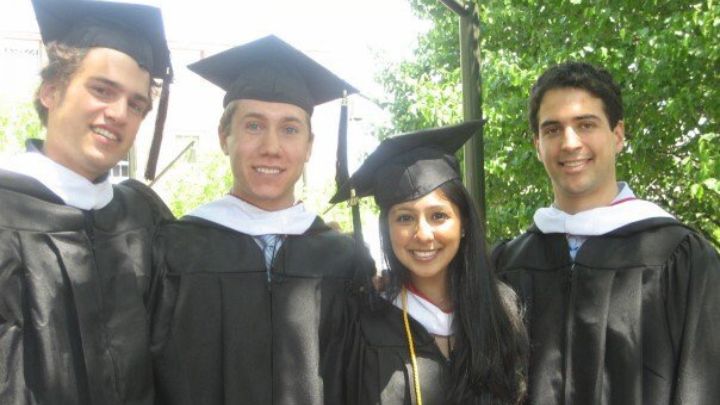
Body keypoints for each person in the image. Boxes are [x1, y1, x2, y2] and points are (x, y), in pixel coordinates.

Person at [149, 35, 374, 405]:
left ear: (308, 146)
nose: (271, 146)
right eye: (253, 125)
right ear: (225, 137)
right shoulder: (174, 250)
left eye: (289, 129)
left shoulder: (344, 261)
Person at [493, 61, 720, 404]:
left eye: (586, 125)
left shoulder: (680, 257)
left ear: (617, 135)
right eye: (552, 130)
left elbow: (703, 388)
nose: (570, 143)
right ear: (537, 144)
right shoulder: (505, 265)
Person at [0, 0, 173, 404]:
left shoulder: (144, 216)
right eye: (101, 89)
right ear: (50, 90)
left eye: (136, 104)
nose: (118, 113)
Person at [331, 121, 528, 405]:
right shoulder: (364, 321)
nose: (423, 234)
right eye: (404, 218)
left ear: (463, 224)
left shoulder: (502, 311)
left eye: (438, 216)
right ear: (387, 230)